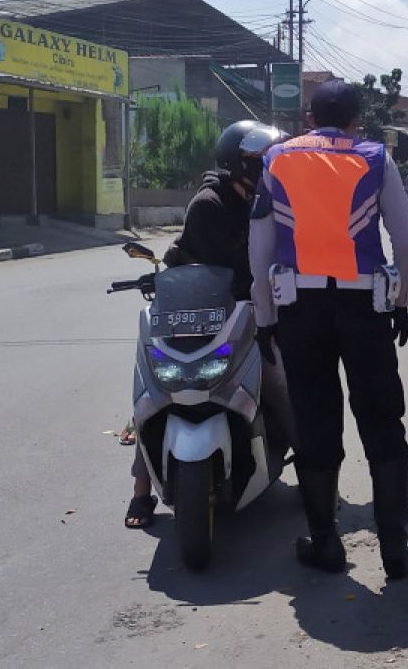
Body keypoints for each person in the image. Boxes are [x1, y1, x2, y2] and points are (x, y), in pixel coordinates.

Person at [250, 80, 408, 579]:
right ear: (355, 119)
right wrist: (402, 302)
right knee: (383, 421)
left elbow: (259, 249)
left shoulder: (276, 159)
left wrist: (264, 318)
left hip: (299, 310)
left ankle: (326, 542)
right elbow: (405, 240)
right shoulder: (374, 157)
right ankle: (395, 551)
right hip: (364, 309)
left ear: (309, 118)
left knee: (315, 422)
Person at [124, 120, 290, 529]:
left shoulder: (261, 200)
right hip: (199, 315)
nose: (266, 169)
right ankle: (141, 494)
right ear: (236, 164)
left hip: (244, 314)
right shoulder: (209, 204)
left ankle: (313, 467)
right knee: (153, 396)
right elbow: (234, 266)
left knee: (281, 384)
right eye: (257, 162)